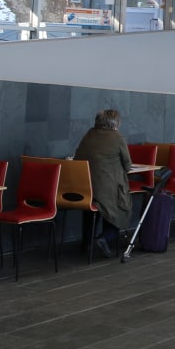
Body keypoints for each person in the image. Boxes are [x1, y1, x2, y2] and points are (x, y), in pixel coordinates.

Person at [74, 108, 134, 258]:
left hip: (84, 189)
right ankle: (104, 238)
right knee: (120, 206)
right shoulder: (117, 137)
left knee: (93, 208)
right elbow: (128, 166)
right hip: (105, 191)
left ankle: (87, 243)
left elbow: (77, 157)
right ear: (115, 123)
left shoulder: (89, 134)